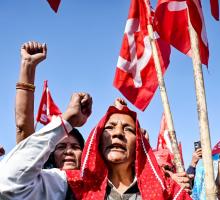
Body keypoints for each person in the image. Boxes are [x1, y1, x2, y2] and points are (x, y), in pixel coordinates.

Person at [0, 93, 191, 199]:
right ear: (97, 143)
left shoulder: (168, 191)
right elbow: (7, 183)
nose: (117, 133)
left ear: (139, 145)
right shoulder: (72, 184)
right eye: (109, 128)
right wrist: (65, 121)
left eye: (128, 129)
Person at [15, 41, 85, 170]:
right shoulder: (41, 183)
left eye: (75, 147)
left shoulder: (98, 187)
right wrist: (28, 65)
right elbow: (23, 127)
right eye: (61, 147)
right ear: (51, 155)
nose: (68, 151)